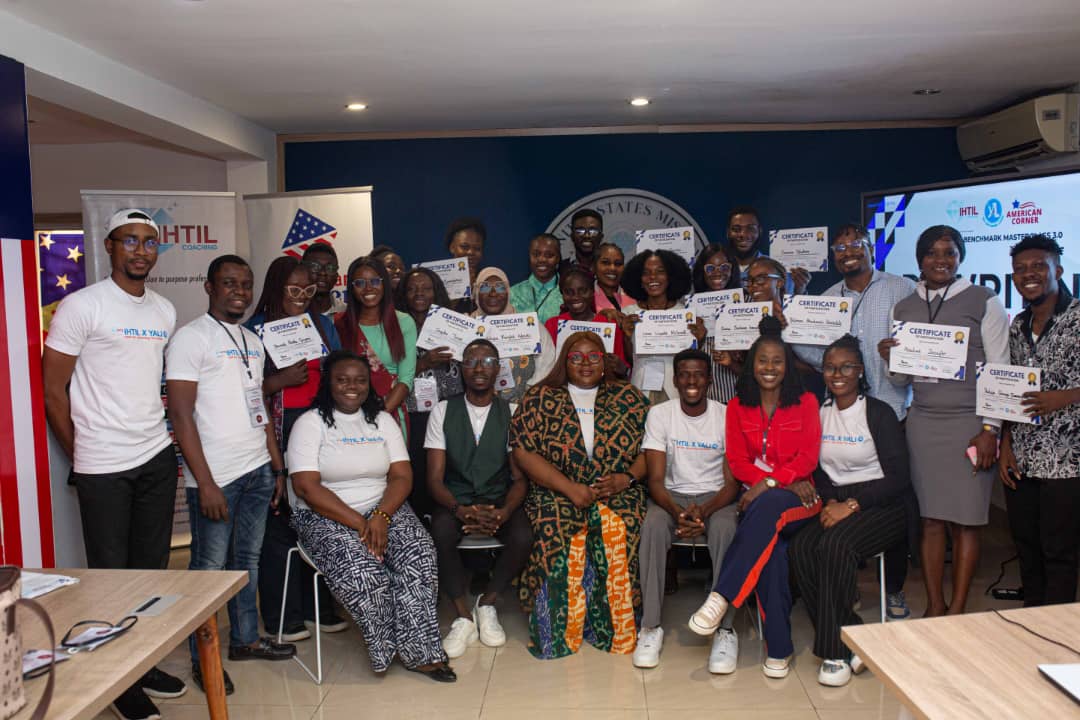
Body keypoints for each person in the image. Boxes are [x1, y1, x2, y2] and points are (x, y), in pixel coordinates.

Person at [42, 209, 186, 719]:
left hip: (155, 456)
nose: (140, 251)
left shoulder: (164, 310)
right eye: (130, 240)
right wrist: (81, 454)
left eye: (149, 242)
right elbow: (53, 390)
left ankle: (142, 664)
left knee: (151, 572)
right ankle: (118, 683)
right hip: (102, 461)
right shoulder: (82, 306)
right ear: (109, 245)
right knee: (110, 576)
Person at [166, 255, 296, 696]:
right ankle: (204, 660)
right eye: (229, 283)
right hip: (216, 477)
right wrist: (204, 483)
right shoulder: (190, 338)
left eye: (245, 284)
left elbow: (258, 408)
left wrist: (275, 466)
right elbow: (180, 415)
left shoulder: (252, 341)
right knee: (209, 569)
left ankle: (245, 640)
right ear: (209, 287)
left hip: (256, 469)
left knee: (247, 562)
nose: (239, 291)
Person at [287, 350, 455, 682]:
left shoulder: (382, 420)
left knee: (420, 555)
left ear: (369, 384)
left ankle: (421, 654)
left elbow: (402, 477)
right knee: (368, 575)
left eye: (360, 380)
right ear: (328, 382)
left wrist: (380, 516)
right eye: (342, 379)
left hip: (383, 507)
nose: (352, 386)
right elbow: (306, 487)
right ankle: (386, 650)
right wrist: (361, 524)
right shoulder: (309, 423)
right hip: (324, 515)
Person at [879, 225, 1009, 616]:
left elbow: (999, 369)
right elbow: (900, 380)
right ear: (919, 259)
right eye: (932, 253)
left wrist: (990, 430)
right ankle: (935, 605)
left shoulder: (984, 300)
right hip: (923, 425)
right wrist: (890, 360)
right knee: (931, 519)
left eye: (949, 252)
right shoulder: (903, 307)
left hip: (971, 426)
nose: (941, 260)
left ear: (960, 257)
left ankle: (957, 609)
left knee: (967, 521)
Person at [792, 223, 917, 619]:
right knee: (845, 513)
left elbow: (918, 343)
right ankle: (845, 585)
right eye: (839, 247)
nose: (847, 252)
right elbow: (814, 353)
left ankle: (893, 589)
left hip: (893, 408)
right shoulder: (828, 299)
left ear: (870, 249)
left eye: (855, 245)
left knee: (894, 493)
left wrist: (899, 354)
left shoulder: (901, 289)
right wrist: (792, 319)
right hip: (844, 413)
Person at [687, 316, 821, 679]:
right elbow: (738, 462)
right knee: (771, 555)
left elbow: (808, 458)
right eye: (763, 361)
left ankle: (721, 595)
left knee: (770, 505)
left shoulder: (806, 402)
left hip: (802, 499)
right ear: (751, 365)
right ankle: (779, 649)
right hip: (762, 501)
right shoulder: (736, 407)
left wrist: (770, 484)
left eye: (777, 361)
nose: (770, 368)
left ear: (787, 366)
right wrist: (771, 484)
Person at [511, 331, 650, 659]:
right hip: (556, 489)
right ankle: (556, 630)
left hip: (617, 489)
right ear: (564, 361)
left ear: (605, 361)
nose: (585, 363)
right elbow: (523, 452)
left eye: (593, 356)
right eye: (576, 357)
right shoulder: (540, 396)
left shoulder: (628, 396)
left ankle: (614, 627)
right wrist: (568, 488)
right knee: (555, 530)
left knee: (621, 528)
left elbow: (652, 448)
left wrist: (626, 479)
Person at [789, 335, 917, 687]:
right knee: (801, 548)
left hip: (884, 503)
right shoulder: (820, 414)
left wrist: (852, 505)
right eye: (830, 367)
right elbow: (818, 471)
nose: (837, 374)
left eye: (846, 367)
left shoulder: (878, 412)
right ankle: (853, 634)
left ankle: (834, 653)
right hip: (836, 500)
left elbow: (899, 477)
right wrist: (832, 501)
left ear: (860, 371)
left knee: (835, 545)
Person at [245, 257, 347, 643]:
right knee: (280, 523)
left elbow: (338, 371)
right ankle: (281, 616)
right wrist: (278, 381)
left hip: (319, 429)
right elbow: (241, 391)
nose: (302, 297)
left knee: (317, 518)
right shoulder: (254, 330)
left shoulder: (322, 325)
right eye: (293, 290)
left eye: (308, 290)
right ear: (276, 288)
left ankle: (317, 607)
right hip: (277, 429)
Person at [425, 339, 532, 657]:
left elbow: (519, 478)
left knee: (524, 536)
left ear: (498, 369)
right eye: (472, 361)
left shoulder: (512, 412)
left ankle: (487, 602)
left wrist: (505, 511)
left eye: (487, 361)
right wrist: (459, 509)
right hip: (454, 500)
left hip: (498, 500)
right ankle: (462, 615)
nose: (479, 368)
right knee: (440, 532)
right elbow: (434, 478)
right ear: (461, 368)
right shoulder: (443, 410)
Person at [634, 349, 739, 670]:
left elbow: (732, 484)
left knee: (726, 529)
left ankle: (725, 629)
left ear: (710, 380)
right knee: (652, 525)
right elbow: (654, 480)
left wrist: (704, 511)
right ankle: (650, 626)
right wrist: (678, 512)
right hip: (672, 496)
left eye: (698, 374)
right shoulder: (660, 414)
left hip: (716, 498)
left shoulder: (726, 415)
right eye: (684, 374)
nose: (691, 381)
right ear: (675, 380)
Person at [999, 234, 1080, 606]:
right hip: (1023, 459)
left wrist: (1065, 397)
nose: (1028, 274)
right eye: (1020, 269)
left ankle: (1057, 628)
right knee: (1026, 548)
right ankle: (1030, 621)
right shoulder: (1017, 325)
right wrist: (1005, 446)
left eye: (1037, 266)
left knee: (1059, 552)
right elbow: (1009, 393)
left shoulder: (1077, 317)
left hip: (1068, 461)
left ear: (1057, 270)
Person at [394, 267, 464, 516]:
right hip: (414, 413)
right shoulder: (397, 327)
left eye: (426, 288)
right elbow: (391, 374)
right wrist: (424, 363)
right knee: (419, 468)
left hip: (450, 410)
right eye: (412, 289)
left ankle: (449, 516)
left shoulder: (452, 323)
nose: (419, 293)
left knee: (450, 468)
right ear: (403, 294)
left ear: (436, 292)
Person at [336, 256, 417, 437]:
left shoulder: (404, 322)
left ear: (384, 284)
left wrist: (376, 419)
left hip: (388, 414)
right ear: (352, 288)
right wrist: (356, 421)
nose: (368, 288)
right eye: (360, 283)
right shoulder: (340, 325)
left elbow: (405, 379)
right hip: (347, 418)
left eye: (374, 281)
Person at [619, 249, 701, 403]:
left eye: (660, 272)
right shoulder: (629, 313)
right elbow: (629, 360)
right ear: (639, 279)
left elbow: (691, 358)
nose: (653, 277)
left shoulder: (685, 314)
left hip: (675, 389)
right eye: (646, 273)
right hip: (640, 388)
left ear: (670, 277)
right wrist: (626, 336)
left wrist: (699, 340)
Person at [746, 256, 826, 401]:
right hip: (760, 399)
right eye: (750, 280)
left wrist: (784, 333)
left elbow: (816, 367)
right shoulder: (742, 320)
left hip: (799, 397)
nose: (753, 285)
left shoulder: (801, 315)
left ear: (780, 282)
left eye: (761, 279)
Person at [473, 267, 556, 404]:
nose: (493, 293)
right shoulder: (467, 326)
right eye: (485, 287)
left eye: (500, 287)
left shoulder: (530, 325)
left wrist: (529, 395)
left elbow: (547, 363)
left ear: (508, 292)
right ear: (476, 293)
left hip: (524, 405)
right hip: (477, 405)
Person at [543, 267, 629, 373]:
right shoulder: (552, 325)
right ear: (562, 294)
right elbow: (545, 366)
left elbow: (621, 367)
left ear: (593, 292)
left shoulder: (609, 324)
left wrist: (621, 368)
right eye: (569, 292)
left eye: (583, 291)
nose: (576, 297)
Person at [690, 242, 743, 403]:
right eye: (710, 268)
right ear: (702, 272)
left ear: (732, 270)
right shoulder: (691, 307)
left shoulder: (746, 303)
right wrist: (698, 341)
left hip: (737, 394)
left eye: (724, 267)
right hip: (703, 396)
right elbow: (683, 357)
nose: (718, 273)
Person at [725, 205, 809, 295]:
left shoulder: (778, 270)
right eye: (736, 229)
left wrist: (800, 291)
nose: (743, 234)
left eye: (751, 228)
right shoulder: (719, 270)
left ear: (760, 231)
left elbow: (789, 302)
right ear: (728, 233)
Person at [509, 233, 564, 324]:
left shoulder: (568, 293)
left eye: (549, 255)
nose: (542, 259)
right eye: (536, 254)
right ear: (529, 256)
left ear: (558, 258)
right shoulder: (513, 294)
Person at [446, 217, 486, 313]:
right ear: (452, 247)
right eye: (464, 247)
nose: (471, 252)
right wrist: (462, 287)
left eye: (477, 248)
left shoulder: (488, 279)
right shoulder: (436, 280)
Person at [558, 208, 602, 282]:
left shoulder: (610, 269)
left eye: (593, 231)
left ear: (601, 236)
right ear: (572, 236)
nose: (587, 235)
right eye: (580, 231)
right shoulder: (559, 269)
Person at [302, 243, 346, 316]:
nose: (323, 273)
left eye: (330, 268)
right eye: (315, 266)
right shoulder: (289, 314)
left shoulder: (346, 314)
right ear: (302, 272)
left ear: (336, 276)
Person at [593, 242, 632, 313]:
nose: (612, 268)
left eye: (618, 264)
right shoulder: (586, 298)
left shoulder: (634, 297)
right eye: (605, 263)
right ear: (594, 266)